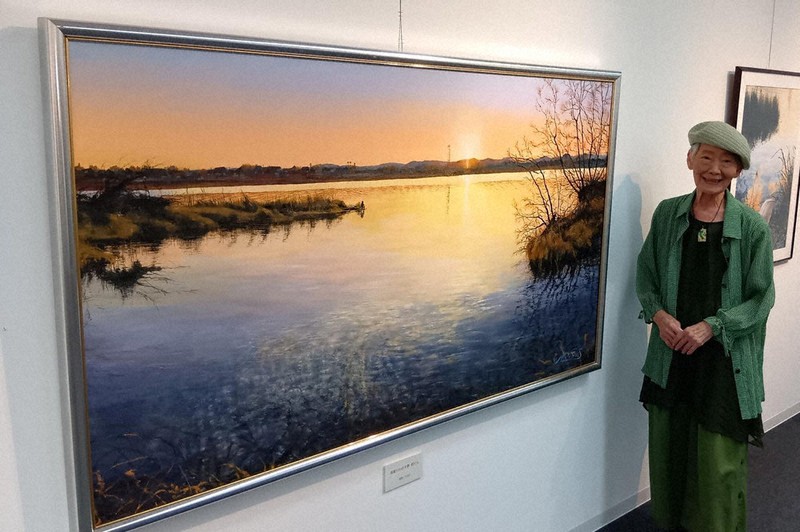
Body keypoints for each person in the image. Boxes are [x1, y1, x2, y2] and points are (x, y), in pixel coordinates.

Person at [636, 121, 775, 531]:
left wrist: (713, 326)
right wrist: (658, 315)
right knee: (670, 450)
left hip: (724, 360)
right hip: (672, 351)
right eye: (706, 157)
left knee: (718, 461)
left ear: (737, 171)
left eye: (726, 162)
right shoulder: (668, 214)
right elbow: (646, 276)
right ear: (690, 159)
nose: (714, 169)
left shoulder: (752, 228)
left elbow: (761, 299)